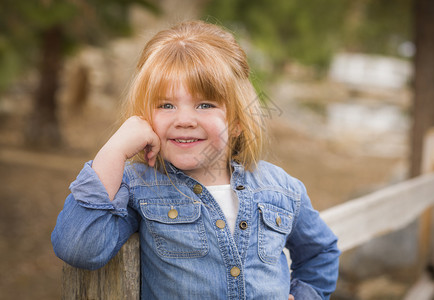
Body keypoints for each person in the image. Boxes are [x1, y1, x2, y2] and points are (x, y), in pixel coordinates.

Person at [51, 20, 340, 300]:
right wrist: (114, 149)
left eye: (205, 104)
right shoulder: (138, 187)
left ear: (237, 120)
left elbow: (320, 251)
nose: (185, 120)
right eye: (166, 105)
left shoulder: (281, 189)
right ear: (144, 117)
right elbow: (78, 247)